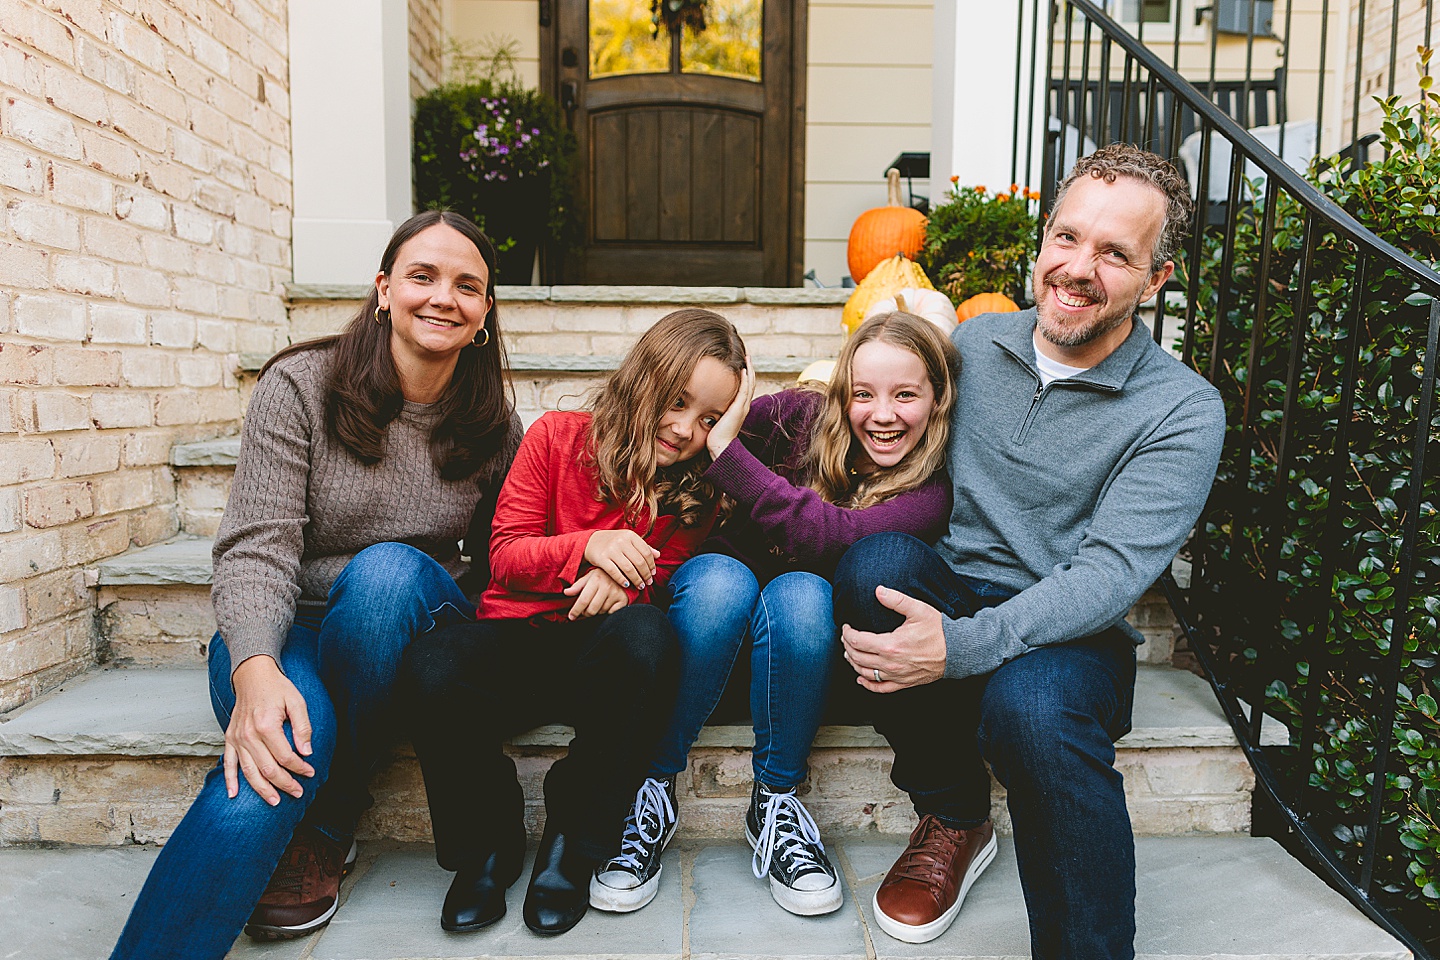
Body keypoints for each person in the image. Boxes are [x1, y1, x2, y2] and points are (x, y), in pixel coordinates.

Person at [831, 143, 1226, 958]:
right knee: (873, 572)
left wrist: (965, 645)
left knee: (1033, 705)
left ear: (1155, 281)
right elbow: (871, 426)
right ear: (1042, 243)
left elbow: (1112, 575)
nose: (1079, 268)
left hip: (1072, 638)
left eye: (1115, 252)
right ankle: (955, 813)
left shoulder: (1182, 409)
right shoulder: (972, 351)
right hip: (955, 588)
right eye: (1068, 238)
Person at [109, 211, 524, 960]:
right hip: (289, 624)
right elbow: (256, 546)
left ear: (484, 313)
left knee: (385, 573)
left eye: (468, 286)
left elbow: (503, 560)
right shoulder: (300, 385)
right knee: (274, 763)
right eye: (422, 276)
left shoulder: (494, 422)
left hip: (412, 620)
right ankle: (325, 824)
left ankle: (326, 827)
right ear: (384, 290)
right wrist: (256, 670)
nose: (443, 298)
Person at [589, 312, 958, 919]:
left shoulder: (927, 496)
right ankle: (651, 788)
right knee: (721, 578)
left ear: (937, 403)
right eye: (863, 393)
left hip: (799, 671)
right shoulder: (795, 419)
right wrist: (608, 549)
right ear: (842, 392)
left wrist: (729, 454)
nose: (882, 413)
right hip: (704, 649)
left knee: (803, 591)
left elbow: (827, 535)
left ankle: (776, 801)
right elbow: (676, 443)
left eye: (906, 395)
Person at [398, 308, 746, 937]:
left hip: (603, 661)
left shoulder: (697, 490)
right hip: (520, 638)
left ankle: (573, 843)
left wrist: (626, 579)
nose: (683, 428)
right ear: (644, 378)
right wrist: (587, 547)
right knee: (432, 664)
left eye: (710, 420)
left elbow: (667, 577)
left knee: (648, 637)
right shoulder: (556, 437)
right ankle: (487, 844)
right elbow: (504, 554)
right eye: (675, 401)